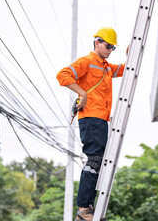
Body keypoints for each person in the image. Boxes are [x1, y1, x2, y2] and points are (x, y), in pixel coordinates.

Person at [56, 27, 125, 221]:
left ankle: (88, 208)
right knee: (94, 161)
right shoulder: (87, 62)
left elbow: (125, 69)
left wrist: (131, 54)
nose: (110, 50)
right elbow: (62, 75)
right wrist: (83, 93)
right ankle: (83, 210)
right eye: (108, 45)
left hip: (101, 119)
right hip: (91, 118)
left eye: (113, 47)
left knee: (100, 162)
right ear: (97, 42)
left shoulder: (106, 67)